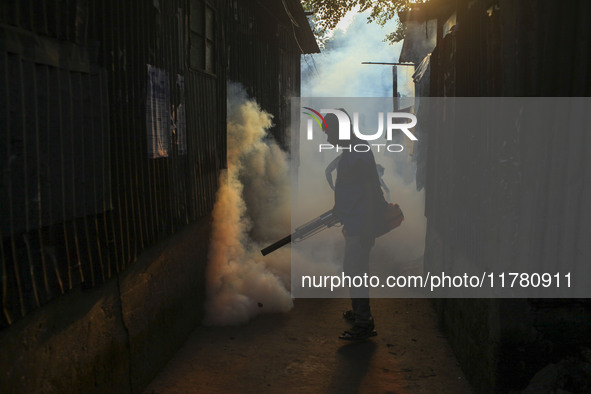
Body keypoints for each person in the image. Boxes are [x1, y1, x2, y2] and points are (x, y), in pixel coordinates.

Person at [323, 111, 387, 341]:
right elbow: (351, 188)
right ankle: (359, 312)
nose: (328, 139)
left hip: (361, 224)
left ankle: (363, 322)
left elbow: (370, 191)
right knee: (354, 270)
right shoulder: (352, 150)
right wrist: (339, 208)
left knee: (355, 272)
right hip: (355, 221)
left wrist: (368, 227)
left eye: (329, 133)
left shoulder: (358, 151)